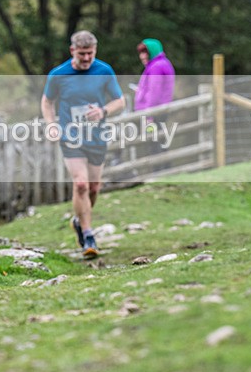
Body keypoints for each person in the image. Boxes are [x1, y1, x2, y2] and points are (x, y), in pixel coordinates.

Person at [41, 30, 125, 260]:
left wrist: (103, 110)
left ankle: (79, 221)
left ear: (95, 51)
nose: (87, 58)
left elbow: (120, 100)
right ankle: (88, 236)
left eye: (90, 53)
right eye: (82, 54)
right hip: (71, 137)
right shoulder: (58, 74)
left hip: (97, 137)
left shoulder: (104, 70)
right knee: (80, 185)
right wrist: (51, 124)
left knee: (94, 188)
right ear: (72, 51)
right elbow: (47, 101)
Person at [134, 38, 175, 163]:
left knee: (154, 142)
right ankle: (163, 169)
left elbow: (154, 93)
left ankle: (159, 170)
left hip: (153, 113)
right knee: (160, 140)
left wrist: (148, 116)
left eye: (145, 52)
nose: (142, 56)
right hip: (160, 111)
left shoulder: (156, 67)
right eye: (141, 53)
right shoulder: (162, 63)